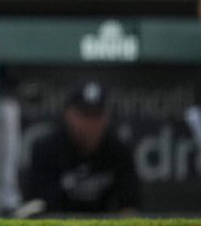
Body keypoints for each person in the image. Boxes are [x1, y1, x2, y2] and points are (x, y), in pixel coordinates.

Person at [23, 81, 141, 214]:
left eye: (97, 115)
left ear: (107, 117)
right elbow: (36, 204)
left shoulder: (119, 150)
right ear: (69, 114)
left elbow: (131, 205)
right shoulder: (46, 149)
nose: (90, 123)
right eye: (85, 115)